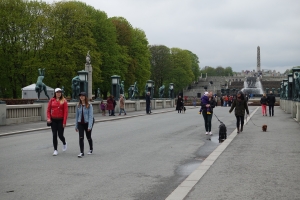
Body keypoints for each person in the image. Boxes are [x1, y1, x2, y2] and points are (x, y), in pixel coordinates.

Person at [47, 88, 68, 156]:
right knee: (54, 135)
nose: (58, 93)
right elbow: (48, 110)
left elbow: (65, 112)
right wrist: (49, 118)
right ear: (55, 93)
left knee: (60, 135)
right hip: (53, 120)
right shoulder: (51, 100)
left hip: (60, 120)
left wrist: (64, 122)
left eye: (60, 92)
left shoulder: (64, 101)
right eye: (57, 92)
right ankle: (55, 150)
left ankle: (64, 142)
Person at [75, 92, 94, 158]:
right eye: (80, 96)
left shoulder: (89, 105)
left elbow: (90, 116)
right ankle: (81, 152)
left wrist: (90, 126)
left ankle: (91, 148)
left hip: (87, 122)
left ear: (85, 97)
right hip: (80, 123)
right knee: (81, 137)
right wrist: (76, 126)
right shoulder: (78, 105)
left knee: (88, 137)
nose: (81, 97)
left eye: (83, 96)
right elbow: (77, 116)